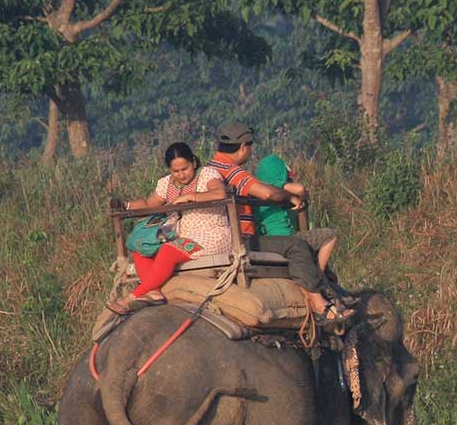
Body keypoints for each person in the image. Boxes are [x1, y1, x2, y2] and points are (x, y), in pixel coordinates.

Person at [207, 122, 348, 321]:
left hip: (216, 237)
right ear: (244, 147)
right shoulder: (231, 171)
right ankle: (318, 302)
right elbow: (267, 193)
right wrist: (289, 198)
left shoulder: (208, 168)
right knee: (297, 245)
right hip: (240, 239)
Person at [110, 142, 231, 314]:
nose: (181, 175)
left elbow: (220, 193)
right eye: (176, 171)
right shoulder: (166, 183)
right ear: (169, 169)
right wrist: (126, 204)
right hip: (176, 233)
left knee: (168, 250)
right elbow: (148, 204)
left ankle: (133, 296)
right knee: (140, 246)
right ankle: (154, 292)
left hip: (209, 235)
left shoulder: (207, 175)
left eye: (185, 168)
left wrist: (191, 197)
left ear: (194, 163)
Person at [252, 154, 349, 303]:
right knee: (330, 235)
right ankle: (318, 277)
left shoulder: (257, 190)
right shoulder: (278, 189)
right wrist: (293, 194)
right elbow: (300, 188)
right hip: (287, 238)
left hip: (268, 239)